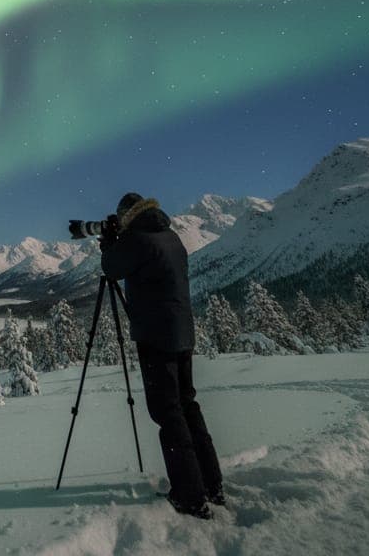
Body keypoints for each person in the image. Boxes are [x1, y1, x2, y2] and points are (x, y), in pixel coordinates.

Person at [98, 191, 223, 519]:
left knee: (168, 414)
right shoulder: (170, 236)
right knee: (187, 405)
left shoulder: (138, 241)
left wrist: (109, 243)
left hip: (156, 338)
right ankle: (212, 484)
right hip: (182, 333)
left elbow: (111, 268)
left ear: (128, 217)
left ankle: (189, 495)